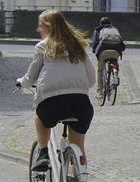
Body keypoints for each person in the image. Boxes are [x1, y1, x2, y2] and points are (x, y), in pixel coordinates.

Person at [16, 10, 95, 172]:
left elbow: (30, 79)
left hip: (52, 104)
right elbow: (91, 78)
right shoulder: (77, 46)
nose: (38, 30)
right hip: (81, 104)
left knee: (40, 115)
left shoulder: (43, 46)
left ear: (48, 27)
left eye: (40, 26)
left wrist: (21, 82)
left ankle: (43, 152)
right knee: (78, 146)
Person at [91, 17, 126, 100]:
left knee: (99, 70)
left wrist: (94, 51)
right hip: (115, 52)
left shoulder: (98, 30)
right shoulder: (114, 30)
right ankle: (115, 75)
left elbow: (95, 43)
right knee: (114, 62)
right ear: (110, 23)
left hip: (103, 52)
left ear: (100, 24)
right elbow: (122, 46)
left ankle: (100, 93)